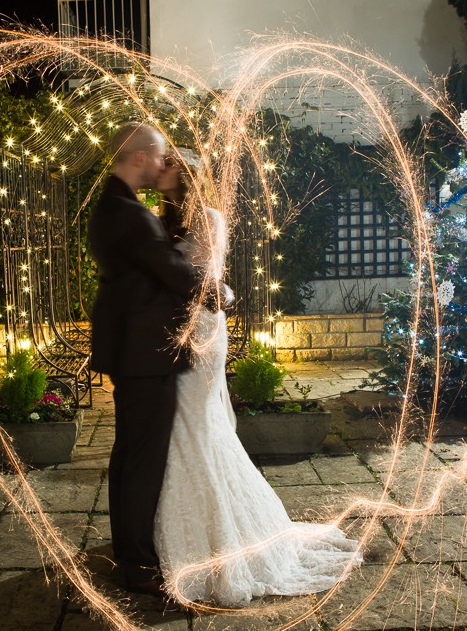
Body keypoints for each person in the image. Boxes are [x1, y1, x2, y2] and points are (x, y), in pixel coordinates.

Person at [153, 148, 363, 607]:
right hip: (173, 331)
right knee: (184, 430)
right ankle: (199, 530)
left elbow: (201, 278)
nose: (159, 169)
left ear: (186, 175)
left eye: (168, 163)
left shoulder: (210, 218)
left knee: (195, 426)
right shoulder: (163, 221)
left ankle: (223, 544)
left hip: (201, 330)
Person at [87, 123, 233, 597]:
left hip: (136, 349)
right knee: (143, 459)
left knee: (129, 453)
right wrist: (217, 291)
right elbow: (167, 267)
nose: (161, 164)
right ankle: (140, 566)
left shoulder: (116, 206)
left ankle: (129, 550)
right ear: (138, 157)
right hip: (145, 354)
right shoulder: (130, 213)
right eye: (157, 157)